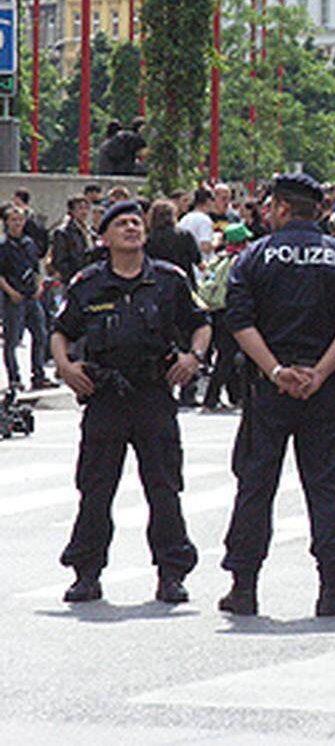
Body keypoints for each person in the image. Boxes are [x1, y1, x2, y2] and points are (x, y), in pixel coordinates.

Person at [219, 172, 335, 617]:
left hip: (269, 391)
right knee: (326, 486)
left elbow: (239, 320)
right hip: (323, 393)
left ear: (281, 209)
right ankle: (332, 587)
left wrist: (276, 370)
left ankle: (243, 587)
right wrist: (319, 373)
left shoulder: (253, 258)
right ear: (318, 210)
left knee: (255, 485)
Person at [51, 200, 211, 604]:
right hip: (105, 397)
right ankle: (86, 573)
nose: (131, 229)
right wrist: (66, 367)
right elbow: (61, 331)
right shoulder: (88, 282)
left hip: (153, 395)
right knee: (96, 487)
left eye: (136, 222)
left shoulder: (169, 280)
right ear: (105, 237)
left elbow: (201, 324)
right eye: (121, 224)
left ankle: (171, 573)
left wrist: (193, 359)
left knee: (164, 488)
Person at [198, 223, 253, 412]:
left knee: (226, 355)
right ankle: (211, 398)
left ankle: (235, 396)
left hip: (217, 312)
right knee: (229, 357)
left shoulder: (219, 259)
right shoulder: (241, 260)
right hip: (233, 311)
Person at [0, 205, 52, 391]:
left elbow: (37, 267)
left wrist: (39, 286)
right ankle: (14, 378)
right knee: (12, 340)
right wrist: (10, 292)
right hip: (13, 297)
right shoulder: (4, 246)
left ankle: (38, 374)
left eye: (20, 220)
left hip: (32, 297)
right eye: (13, 220)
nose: (17, 223)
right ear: (6, 222)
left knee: (40, 334)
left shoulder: (29, 243)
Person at [144, 199, 202, 288]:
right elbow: (197, 259)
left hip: (157, 285)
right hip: (184, 283)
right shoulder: (185, 235)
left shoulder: (148, 238)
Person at [49, 195, 94, 287]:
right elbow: (59, 261)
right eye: (80, 208)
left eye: (86, 208)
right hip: (73, 281)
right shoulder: (64, 232)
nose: (84, 212)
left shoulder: (90, 232)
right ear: (72, 211)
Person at [178, 187, 216, 261]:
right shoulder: (204, 220)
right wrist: (217, 241)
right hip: (201, 266)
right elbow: (205, 247)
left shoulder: (184, 218)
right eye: (212, 199)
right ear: (208, 201)